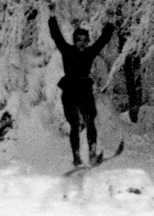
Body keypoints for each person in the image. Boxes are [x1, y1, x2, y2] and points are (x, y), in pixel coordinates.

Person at [48, 14, 115, 166]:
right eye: (78, 40)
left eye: (85, 40)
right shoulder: (67, 51)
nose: (81, 43)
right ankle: (76, 157)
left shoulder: (89, 53)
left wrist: (110, 26)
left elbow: (103, 40)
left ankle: (92, 153)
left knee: (90, 122)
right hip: (70, 92)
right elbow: (56, 36)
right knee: (74, 125)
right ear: (74, 40)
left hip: (85, 91)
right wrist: (52, 18)